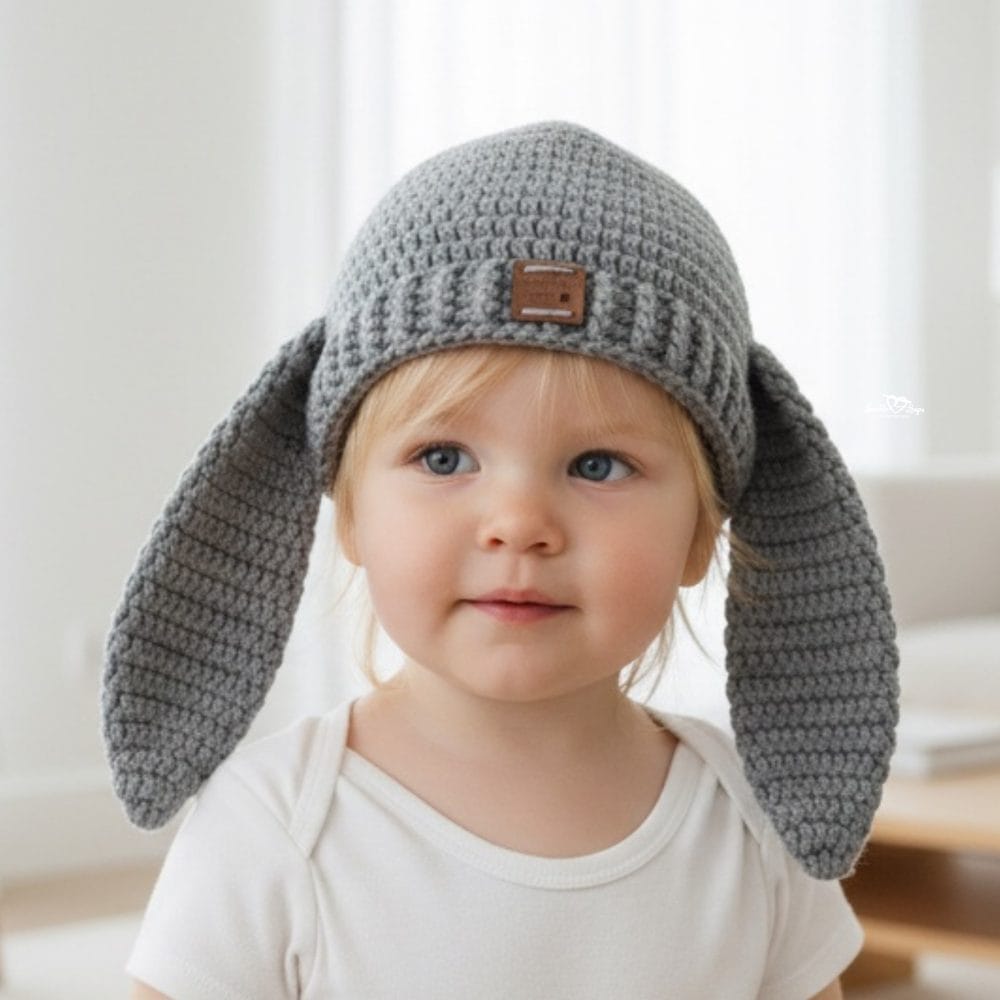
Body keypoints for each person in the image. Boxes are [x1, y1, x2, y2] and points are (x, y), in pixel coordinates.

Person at [104, 120, 899, 999]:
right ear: (351, 514)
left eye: (599, 466)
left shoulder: (752, 827)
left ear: (703, 534)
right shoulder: (274, 827)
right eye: (444, 459)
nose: (519, 525)